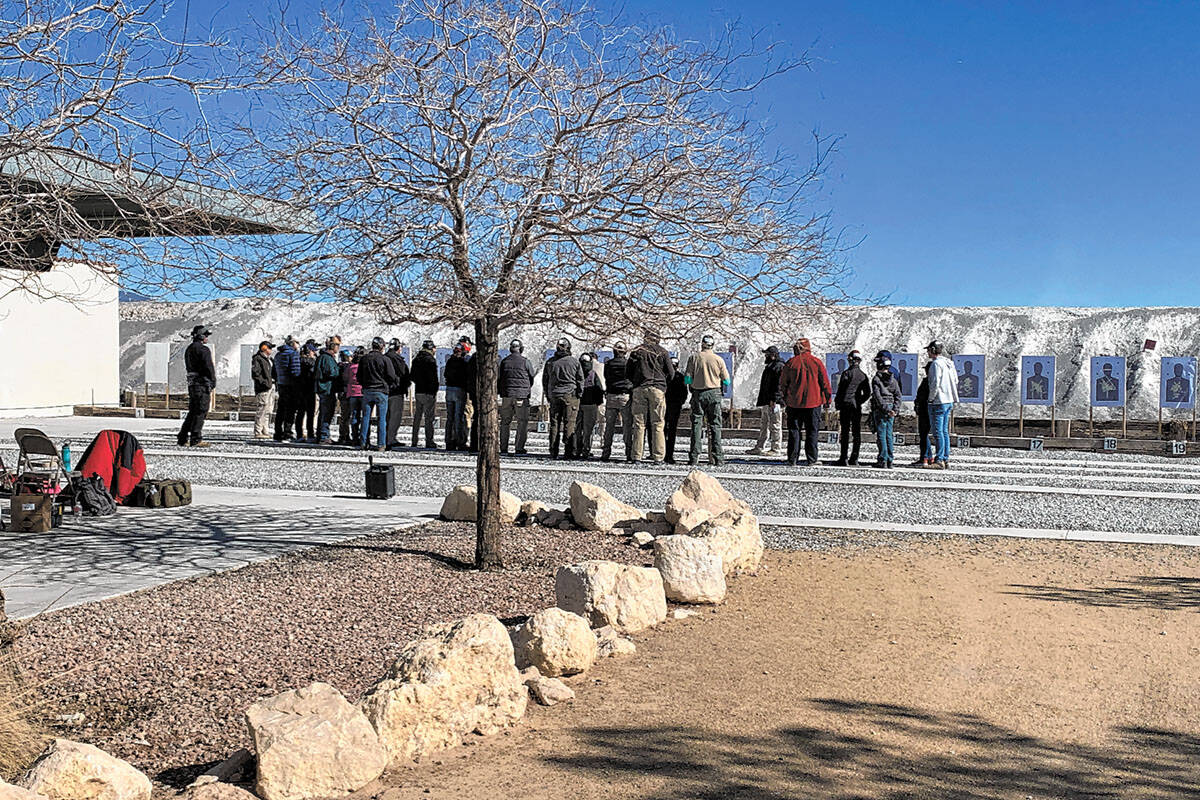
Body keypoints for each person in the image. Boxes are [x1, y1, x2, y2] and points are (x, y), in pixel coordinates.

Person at [778, 338, 831, 467]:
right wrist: (828, 399)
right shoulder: (816, 362)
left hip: (794, 403)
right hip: (813, 403)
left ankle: (792, 459)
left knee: (794, 431)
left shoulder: (791, 363)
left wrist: (784, 398)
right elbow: (825, 382)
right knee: (812, 431)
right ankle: (812, 459)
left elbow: (783, 383)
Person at [627, 333, 675, 463]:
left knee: (639, 424)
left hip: (639, 388)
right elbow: (671, 373)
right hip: (657, 389)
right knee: (658, 424)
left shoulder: (637, 351)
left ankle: (637, 456)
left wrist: (636, 382)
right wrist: (662, 384)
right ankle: (658, 457)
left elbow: (628, 372)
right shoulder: (663, 352)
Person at [685, 335, 731, 466]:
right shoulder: (718, 359)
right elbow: (726, 380)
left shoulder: (694, 358)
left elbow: (687, 379)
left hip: (698, 393)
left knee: (696, 424)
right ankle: (718, 457)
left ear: (702, 344)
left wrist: (692, 387)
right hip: (714, 392)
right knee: (715, 425)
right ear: (713, 345)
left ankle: (694, 456)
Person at [543, 338, 584, 459]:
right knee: (569, 423)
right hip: (570, 395)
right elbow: (580, 380)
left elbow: (545, 380)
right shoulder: (574, 362)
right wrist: (579, 394)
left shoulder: (550, 362)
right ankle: (569, 450)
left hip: (554, 395)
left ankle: (553, 450)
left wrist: (548, 394)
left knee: (554, 423)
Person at [177, 324, 216, 447]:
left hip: (192, 384)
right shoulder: (203, 350)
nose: (206, 338)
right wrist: (212, 381)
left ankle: (183, 437)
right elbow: (208, 367)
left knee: (193, 411)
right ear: (200, 336)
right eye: (205, 335)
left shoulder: (189, 349)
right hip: (202, 384)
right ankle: (196, 438)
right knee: (201, 411)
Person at [357, 337, 397, 451]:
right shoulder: (385, 359)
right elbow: (391, 376)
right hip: (381, 391)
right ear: (381, 347)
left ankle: (363, 442)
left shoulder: (364, 359)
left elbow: (359, 376)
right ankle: (381, 444)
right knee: (382, 419)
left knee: (365, 417)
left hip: (367, 390)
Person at [925, 339, 959, 469]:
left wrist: (931, 398)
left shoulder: (936, 364)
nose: (928, 352)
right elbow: (955, 380)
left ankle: (939, 460)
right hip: (949, 399)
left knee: (938, 431)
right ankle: (945, 457)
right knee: (944, 431)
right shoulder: (948, 363)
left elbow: (934, 383)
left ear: (933, 350)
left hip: (939, 400)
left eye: (929, 350)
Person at [833, 349, 870, 466]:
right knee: (856, 432)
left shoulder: (846, 374)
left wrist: (837, 403)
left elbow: (841, 391)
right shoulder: (863, 375)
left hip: (845, 405)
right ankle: (854, 458)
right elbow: (867, 393)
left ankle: (843, 457)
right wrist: (859, 401)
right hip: (856, 406)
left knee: (845, 432)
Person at [498, 339, 535, 454]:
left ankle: (503, 447)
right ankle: (519, 447)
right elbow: (531, 377)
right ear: (521, 349)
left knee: (505, 422)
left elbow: (499, 378)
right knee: (522, 422)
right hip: (521, 396)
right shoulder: (526, 361)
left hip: (507, 396)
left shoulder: (504, 361)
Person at [747, 345, 783, 456]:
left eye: (767, 354)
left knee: (775, 425)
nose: (766, 356)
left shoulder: (779, 367)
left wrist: (774, 399)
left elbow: (778, 385)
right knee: (764, 424)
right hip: (767, 400)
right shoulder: (770, 366)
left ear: (773, 355)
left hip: (773, 401)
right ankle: (760, 446)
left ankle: (776, 448)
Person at [601, 342, 633, 462]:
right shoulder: (628, 364)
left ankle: (606, 452)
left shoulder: (608, 364)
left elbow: (606, 377)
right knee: (627, 427)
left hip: (611, 396)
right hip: (625, 396)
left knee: (609, 427)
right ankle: (629, 453)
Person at [870, 350, 902, 469]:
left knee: (881, 435)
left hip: (881, 410)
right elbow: (898, 395)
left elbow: (878, 397)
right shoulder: (893, 380)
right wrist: (895, 409)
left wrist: (885, 409)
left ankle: (882, 459)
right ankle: (890, 459)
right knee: (889, 434)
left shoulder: (876, 379)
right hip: (891, 408)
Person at [575, 352, 605, 459]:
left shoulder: (575, 373)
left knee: (577, 428)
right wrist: (599, 402)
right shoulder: (593, 374)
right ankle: (586, 450)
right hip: (591, 405)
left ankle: (577, 449)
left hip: (578, 404)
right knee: (588, 430)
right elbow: (599, 389)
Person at [410, 339, 439, 448]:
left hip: (418, 391)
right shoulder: (431, 360)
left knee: (417, 417)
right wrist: (434, 389)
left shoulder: (416, 359)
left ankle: (414, 440)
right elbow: (434, 378)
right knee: (429, 418)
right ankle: (429, 440)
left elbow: (412, 375)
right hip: (429, 392)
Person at [443, 343, 472, 450]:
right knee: (458, 417)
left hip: (449, 389)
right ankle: (460, 441)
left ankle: (449, 441)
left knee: (449, 417)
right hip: (460, 389)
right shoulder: (463, 362)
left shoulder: (450, 361)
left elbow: (445, 374)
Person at [273, 335, 302, 442]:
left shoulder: (278, 355)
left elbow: (274, 372)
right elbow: (295, 371)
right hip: (291, 385)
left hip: (281, 384)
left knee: (280, 409)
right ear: (292, 343)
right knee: (290, 410)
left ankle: (277, 432)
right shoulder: (293, 354)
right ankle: (287, 432)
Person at [385, 339, 412, 449]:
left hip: (385, 391)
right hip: (396, 391)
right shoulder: (398, 360)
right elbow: (404, 374)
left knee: (386, 416)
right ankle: (391, 439)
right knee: (395, 417)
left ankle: (384, 437)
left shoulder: (384, 358)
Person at [314, 338, 341, 444]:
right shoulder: (326, 358)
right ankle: (324, 435)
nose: (338, 348)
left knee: (324, 412)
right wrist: (339, 370)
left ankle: (321, 434)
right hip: (326, 388)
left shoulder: (325, 357)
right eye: (337, 345)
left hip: (326, 388)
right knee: (326, 413)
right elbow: (331, 372)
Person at [663, 358, 688, 464]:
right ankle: (669, 455)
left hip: (664, 405)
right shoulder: (681, 376)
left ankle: (660, 453)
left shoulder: (663, 376)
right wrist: (681, 402)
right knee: (672, 431)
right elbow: (685, 391)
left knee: (661, 430)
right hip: (675, 406)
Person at [250, 340, 275, 440]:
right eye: (270, 348)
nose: (271, 350)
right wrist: (264, 383)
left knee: (268, 409)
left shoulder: (269, 359)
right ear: (264, 348)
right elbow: (256, 374)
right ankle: (258, 430)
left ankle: (265, 429)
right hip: (263, 388)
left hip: (270, 387)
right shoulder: (258, 359)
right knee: (262, 409)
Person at [294, 341, 319, 442]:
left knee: (300, 413)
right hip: (309, 389)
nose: (314, 353)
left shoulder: (297, 360)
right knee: (309, 413)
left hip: (299, 389)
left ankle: (299, 434)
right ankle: (310, 434)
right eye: (313, 351)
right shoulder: (310, 362)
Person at [911, 363, 932, 467]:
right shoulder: (934, 382)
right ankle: (929, 457)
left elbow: (920, 396)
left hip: (924, 410)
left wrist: (917, 405)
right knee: (925, 434)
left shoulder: (927, 382)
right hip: (929, 410)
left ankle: (924, 457)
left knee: (923, 435)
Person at [344, 348, 364, 444]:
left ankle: (354, 436)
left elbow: (345, 378)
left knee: (354, 416)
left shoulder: (350, 367)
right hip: (362, 392)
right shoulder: (363, 367)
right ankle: (363, 436)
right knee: (364, 416)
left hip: (352, 393)